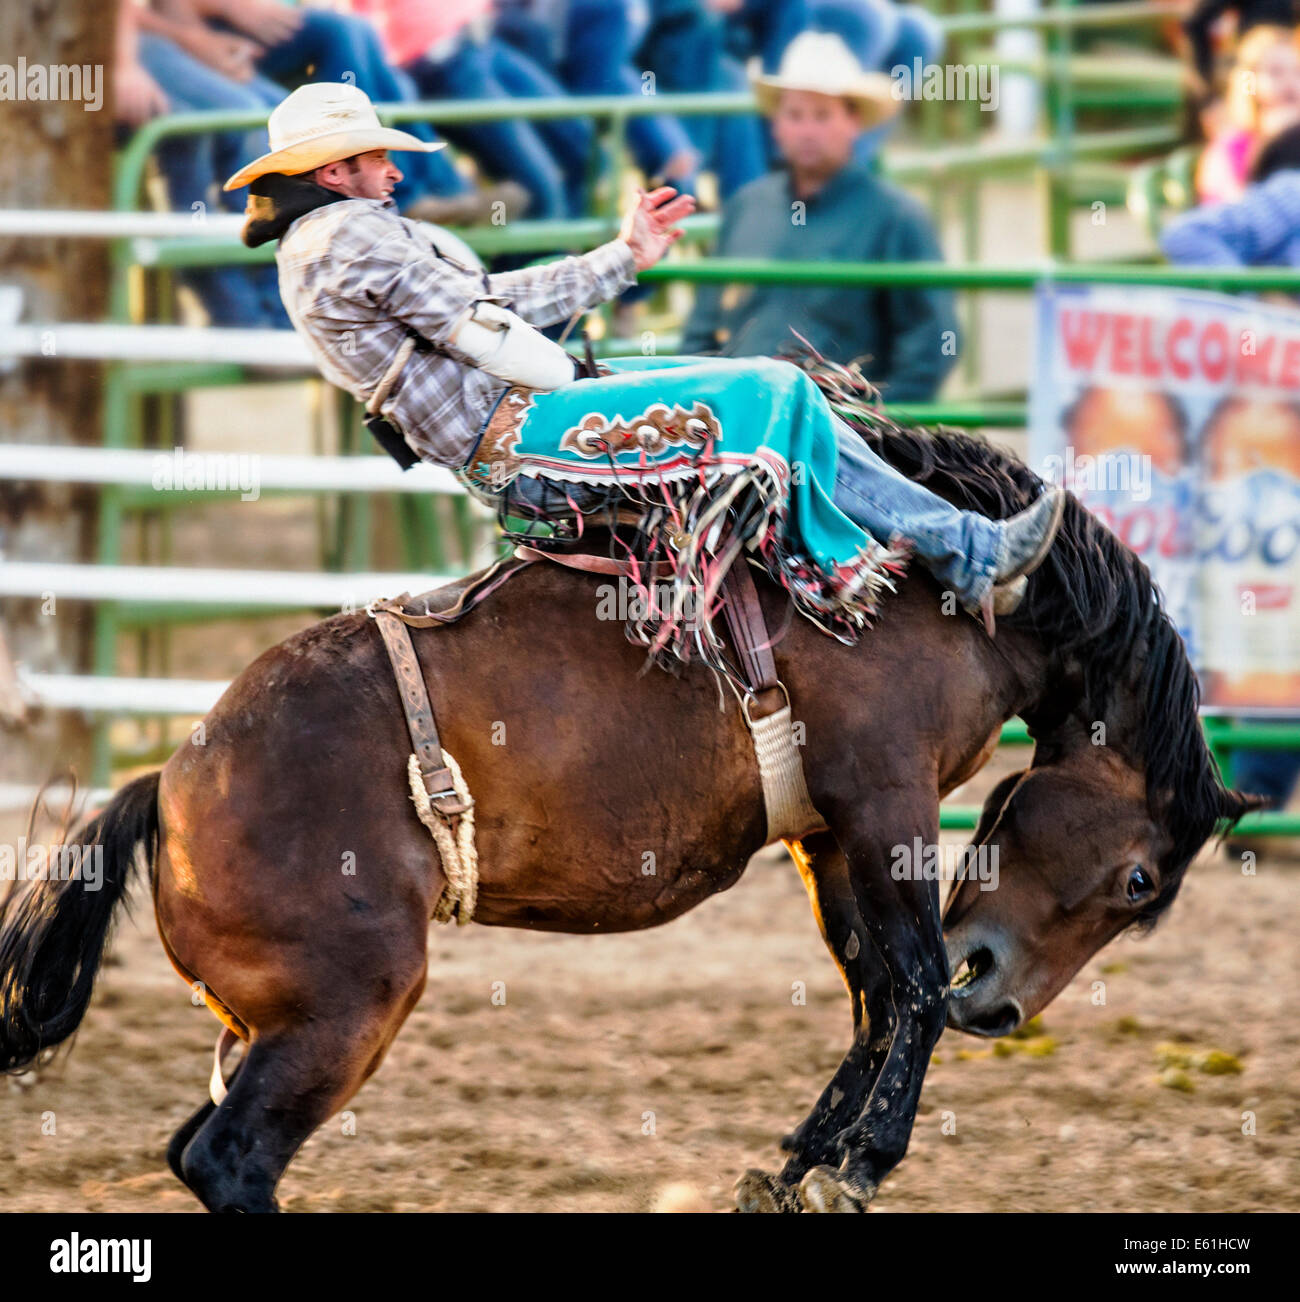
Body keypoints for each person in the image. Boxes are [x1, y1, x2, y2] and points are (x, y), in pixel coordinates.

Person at [223, 83, 1064, 631]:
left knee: (786, 388)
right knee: (773, 385)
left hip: (520, 425)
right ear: (335, 171)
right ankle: (953, 555)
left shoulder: (331, 241)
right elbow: (480, 325)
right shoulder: (351, 237)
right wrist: (602, 299)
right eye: (378, 159)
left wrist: (618, 259)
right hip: (527, 432)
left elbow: (481, 316)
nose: (393, 172)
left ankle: (962, 550)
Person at [682, 31, 958, 402]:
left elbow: (928, 343)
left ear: (853, 122)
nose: (807, 131)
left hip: (843, 422)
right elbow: (703, 328)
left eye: (822, 115)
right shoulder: (748, 206)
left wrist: (879, 425)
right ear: (777, 124)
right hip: (741, 417)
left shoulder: (895, 218)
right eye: (795, 115)